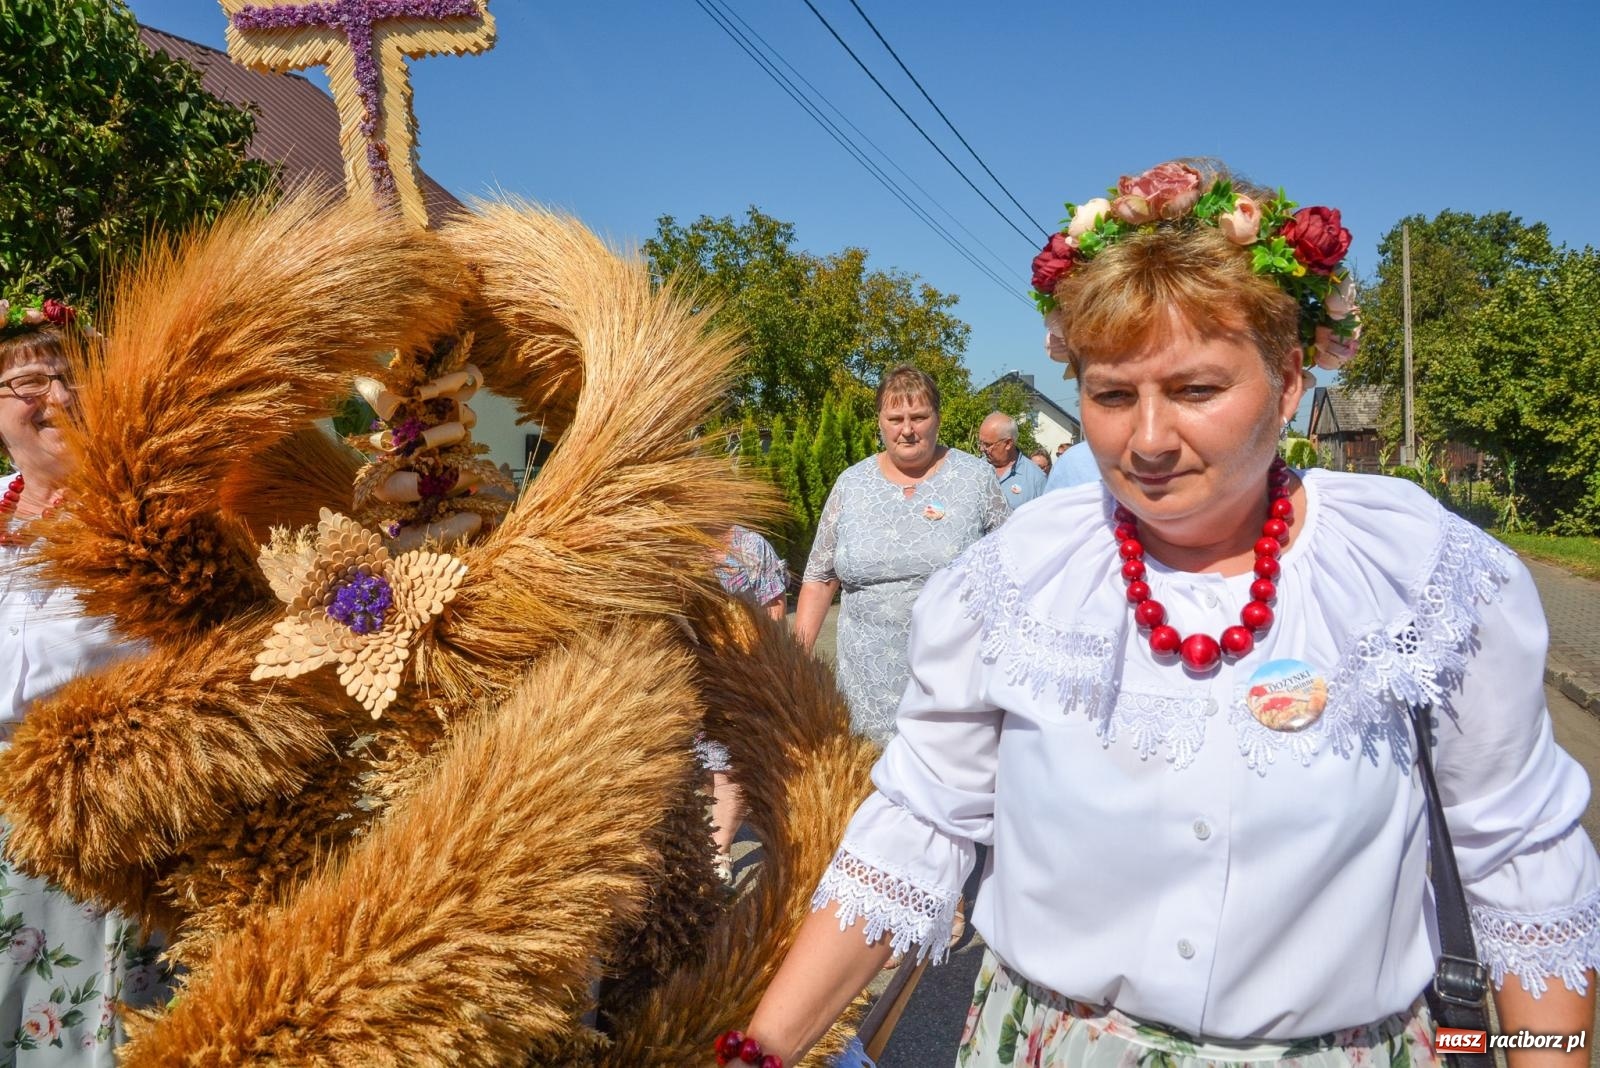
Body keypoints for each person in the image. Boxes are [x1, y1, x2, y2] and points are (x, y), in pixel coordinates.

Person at [705, 161, 1597, 1068]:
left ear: (1289, 381)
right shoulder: (1021, 579)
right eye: (1113, 394)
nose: (1150, 439)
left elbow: (1523, 874)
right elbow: (918, 830)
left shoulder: (1414, 574)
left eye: (1199, 390)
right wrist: (760, 1051)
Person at [0, 298, 175, 1062]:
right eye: (30, 381)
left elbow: (141, 658)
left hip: (108, 829)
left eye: (74, 378)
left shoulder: (146, 514)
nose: (59, 399)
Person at [794, 366, 1007, 744]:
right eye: (895, 419)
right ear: (880, 422)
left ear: (937, 419)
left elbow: (1011, 569)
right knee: (866, 793)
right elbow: (821, 576)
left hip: (954, 686)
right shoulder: (852, 484)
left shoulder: (975, 479)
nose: (907, 429)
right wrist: (795, 661)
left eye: (919, 417)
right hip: (864, 691)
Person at [699, 523, 789, 880]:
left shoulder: (751, 545)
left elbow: (774, 603)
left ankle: (718, 853)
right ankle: (713, 832)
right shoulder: (673, 544)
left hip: (738, 670)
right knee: (702, 768)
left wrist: (764, 657)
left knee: (728, 766)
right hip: (688, 672)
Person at [977, 411, 1046, 510]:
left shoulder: (1036, 479)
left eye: (987, 445)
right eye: (980, 443)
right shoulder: (976, 470)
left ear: (1008, 443)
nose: (982, 449)